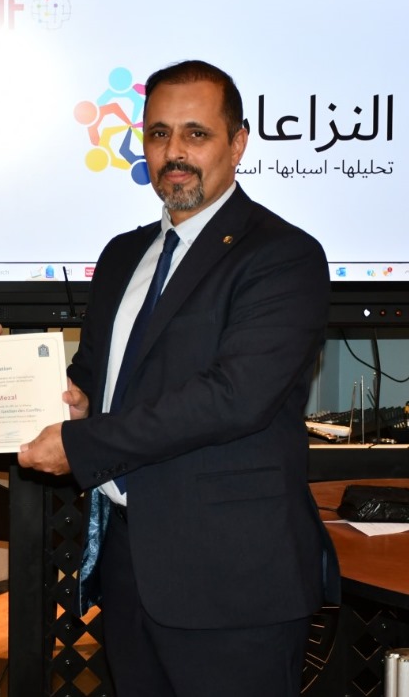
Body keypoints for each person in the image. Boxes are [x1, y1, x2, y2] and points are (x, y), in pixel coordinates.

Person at [18, 59, 339, 695]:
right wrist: (71, 402)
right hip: (131, 566)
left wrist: (82, 443)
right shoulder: (122, 255)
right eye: (160, 134)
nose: (175, 153)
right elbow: (96, 376)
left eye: (197, 134)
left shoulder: (283, 256)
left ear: (238, 143)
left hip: (233, 579)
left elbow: (233, 398)